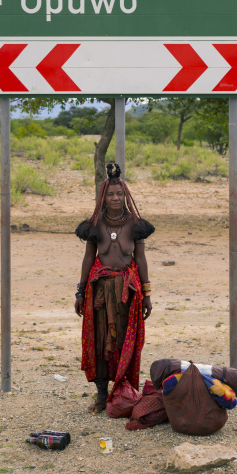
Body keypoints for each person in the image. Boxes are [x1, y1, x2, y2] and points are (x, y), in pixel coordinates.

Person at [74, 163, 154, 413]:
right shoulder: (94, 223)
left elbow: (140, 259)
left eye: (119, 194)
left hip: (127, 293)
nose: (116, 198)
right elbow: (89, 258)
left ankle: (125, 393)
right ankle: (101, 394)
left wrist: (147, 294)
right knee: (99, 340)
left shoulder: (135, 224)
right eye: (110, 194)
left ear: (126, 195)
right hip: (99, 292)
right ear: (103, 196)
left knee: (123, 340)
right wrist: (80, 291)